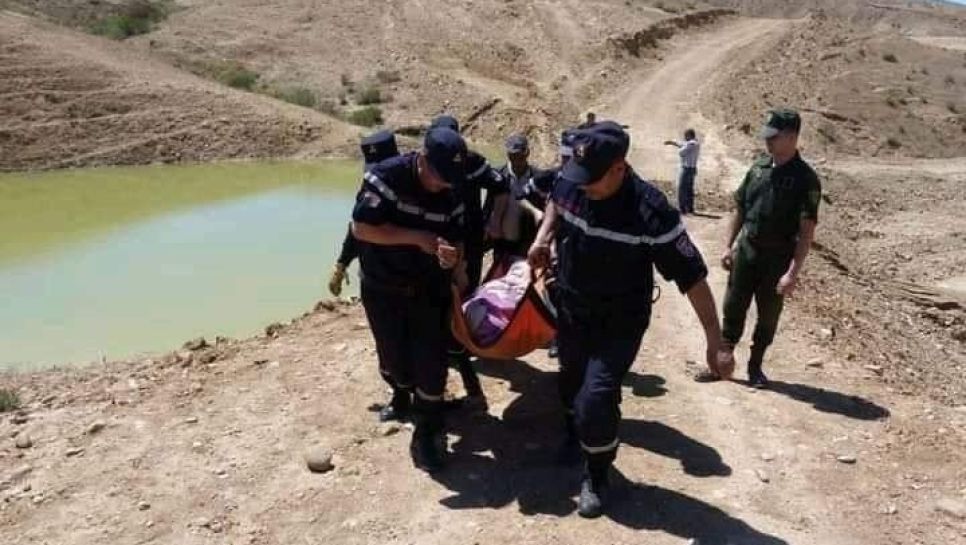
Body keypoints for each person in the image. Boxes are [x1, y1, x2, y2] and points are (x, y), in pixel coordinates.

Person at [528, 121, 724, 518]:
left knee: (596, 398)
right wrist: (543, 238)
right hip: (571, 305)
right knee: (570, 383)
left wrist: (715, 341)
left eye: (593, 180)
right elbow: (556, 199)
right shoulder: (575, 181)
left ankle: (597, 473)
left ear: (620, 168)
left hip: (619, 321)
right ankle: (577, 434)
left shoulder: (650, 213)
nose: (583, 186)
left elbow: (694, 279)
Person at [351, 127, 467, 472]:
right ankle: (402, 394)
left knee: (431, 363)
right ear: (422, 159)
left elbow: (457, 239)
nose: (442, 185)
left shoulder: (452, 186)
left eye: (449, 179)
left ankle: (428, 432)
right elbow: (361, 228)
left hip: (428, 288)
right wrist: (417, 238)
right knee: (394, 360)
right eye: (437, 176)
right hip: (382, 287)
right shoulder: (386, 177)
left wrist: (452, 258)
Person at [716, 108, 821, 389]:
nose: (767, 142)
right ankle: (722, 361)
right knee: (733, 304)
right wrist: (727, 246)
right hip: (747, 250)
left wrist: (793, 272)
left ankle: (756, 366)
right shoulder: (758, 168)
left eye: (773, 137)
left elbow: (807, 230)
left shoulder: (805, 179)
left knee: (768, 313)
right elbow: (739, 208)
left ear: (791, 137)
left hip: (778, 256)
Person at [428, 115, 508, 411]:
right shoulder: (427, 165)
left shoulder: (473, 162)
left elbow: (500, 187)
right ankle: (450, 343)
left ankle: (463, 342)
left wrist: (495, 222)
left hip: (470, 240)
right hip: (437, 241)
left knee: (465, 293)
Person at [329, 130, 401, 296]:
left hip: (409, 282)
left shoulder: (414, 189)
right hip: (374, 280)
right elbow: (358, 227)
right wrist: (342, 264)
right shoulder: (369, 187)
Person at [492, 134, 547, 259]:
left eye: (520, 156)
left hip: (526, 242)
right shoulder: (496, 175)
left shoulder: (538, 178)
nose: (516, 160)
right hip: (501, 242)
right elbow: (489, 206)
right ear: (508, 155)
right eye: (513, 156)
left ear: (527, 153)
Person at [663, 128, 700, 215]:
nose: (684, 138)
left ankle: (682, 209)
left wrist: (679, 147)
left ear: (689, 135)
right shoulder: (695, 143)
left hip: (687, 169)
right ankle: (690, 208)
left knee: (681, 189)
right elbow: (682, 144)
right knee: (689, 189)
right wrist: (672, 143)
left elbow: (681, 152)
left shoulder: (691, 144)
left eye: (686, 136)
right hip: (692, 169)